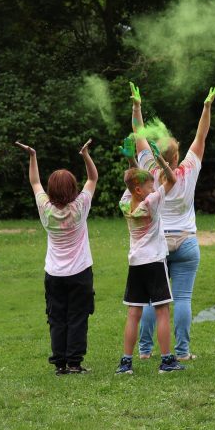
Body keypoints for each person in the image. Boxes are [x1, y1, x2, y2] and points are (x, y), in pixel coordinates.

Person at [133, 82, 215, 361]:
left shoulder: (149, 170)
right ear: (176, 157)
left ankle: (145, 351)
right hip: (187, 242)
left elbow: (138, 135)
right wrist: (206, 108)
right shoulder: (189, 169)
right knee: (181, 300)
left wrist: (137, 107)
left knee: (150, 299)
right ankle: (182, 352)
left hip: (156, 244)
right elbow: (201, 135)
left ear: (158, 156)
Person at [17, 139, 97, 375]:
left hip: (53, 274)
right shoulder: (80, 207)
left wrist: (33, 156)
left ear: (51, 190)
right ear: (73, 189)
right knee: (77, 317)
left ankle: (60, 364)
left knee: (57, 317)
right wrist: (85, 155)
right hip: (80, 273)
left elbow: (34, 181)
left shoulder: (45, 209)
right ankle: (74, 363)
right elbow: (92, 179)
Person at [115, 144, 181, 375]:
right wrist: (162, 162)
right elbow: (172, 180)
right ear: (141, 191)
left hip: (135, 264)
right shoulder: (151, 202)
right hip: (154, 262)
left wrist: (132, 159)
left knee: (134, 313)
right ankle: (167, 361)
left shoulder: (126, 203)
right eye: (150, 184)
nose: (154, 187)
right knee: (162, 311)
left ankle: (126, 363)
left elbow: (131, 181)